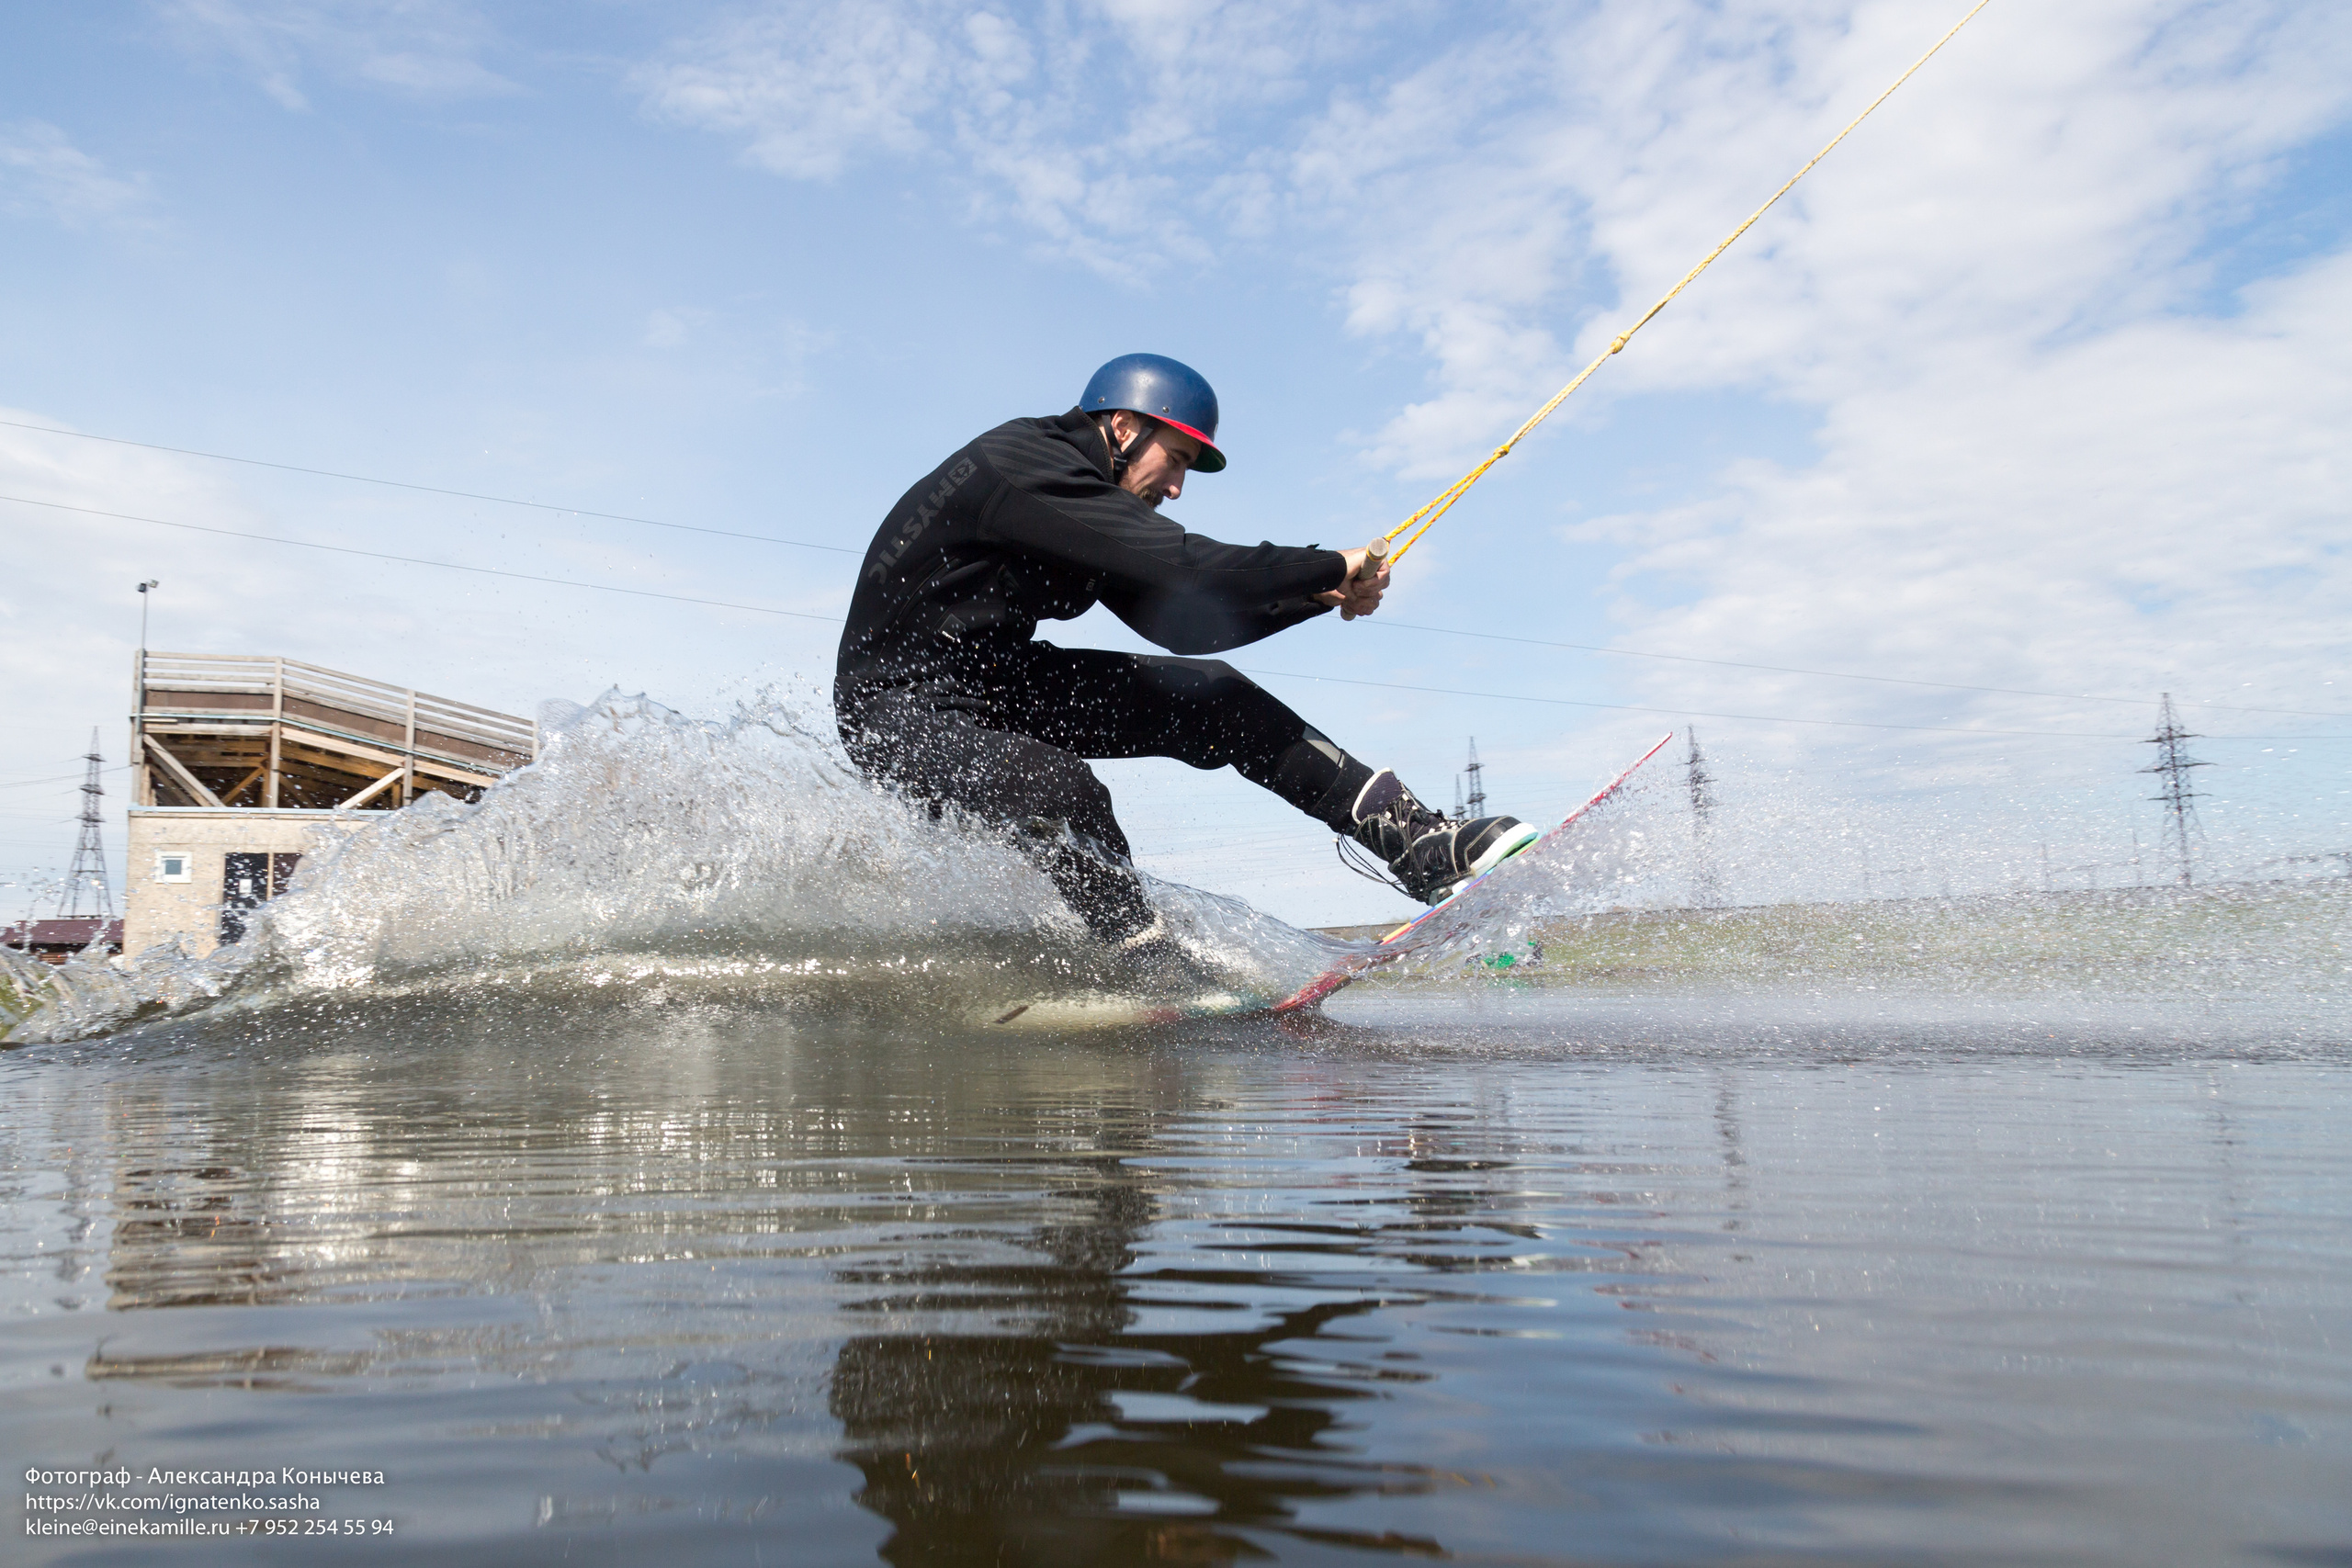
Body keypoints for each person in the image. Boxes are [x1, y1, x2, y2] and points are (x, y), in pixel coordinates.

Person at [834, 353, 1535, 969]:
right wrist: (1330, 562)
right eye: (1174, 459)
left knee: (1214, 697)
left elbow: (1184, 621)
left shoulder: (1086, 503)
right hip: (894, 709)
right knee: (1060, 789)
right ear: (1122, 427)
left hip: (999, 682)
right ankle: (1141, 959)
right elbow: (1186, 565)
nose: (1176, 487)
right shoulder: (1025, 464)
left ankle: (1417, 842)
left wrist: (1317, 596)